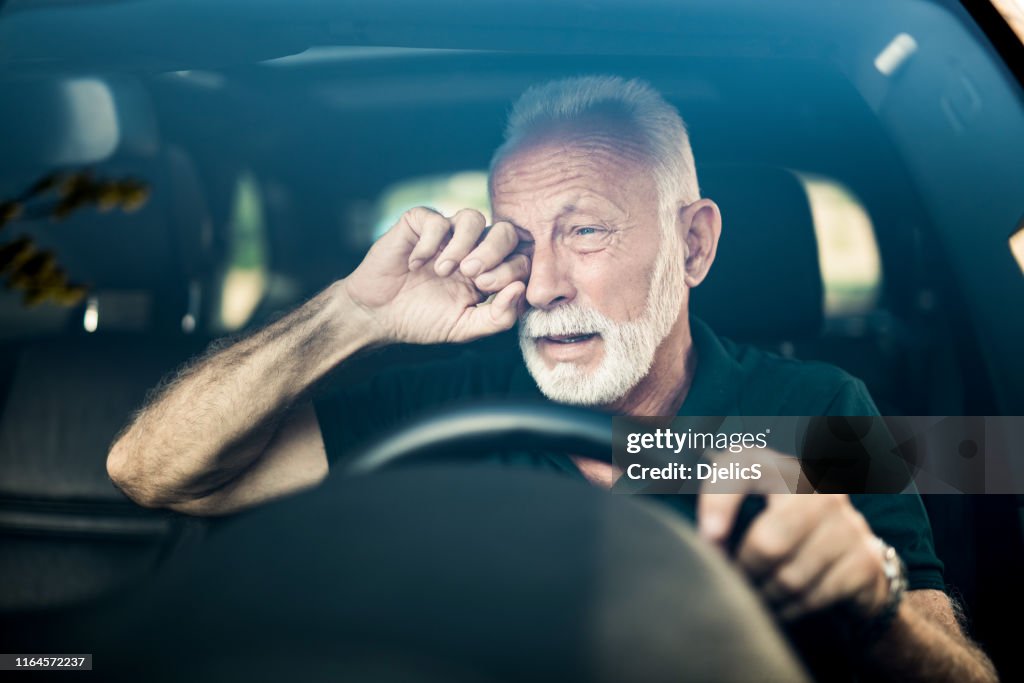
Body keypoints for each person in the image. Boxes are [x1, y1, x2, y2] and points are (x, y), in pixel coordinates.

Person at [106, 76, 997, 682]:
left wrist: (871, 601)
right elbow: (156, 473)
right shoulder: (442, 396)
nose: (542, 286)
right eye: (522, 242)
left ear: (694, 244)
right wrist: (353, 316)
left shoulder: (818, 413)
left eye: (585, 232)